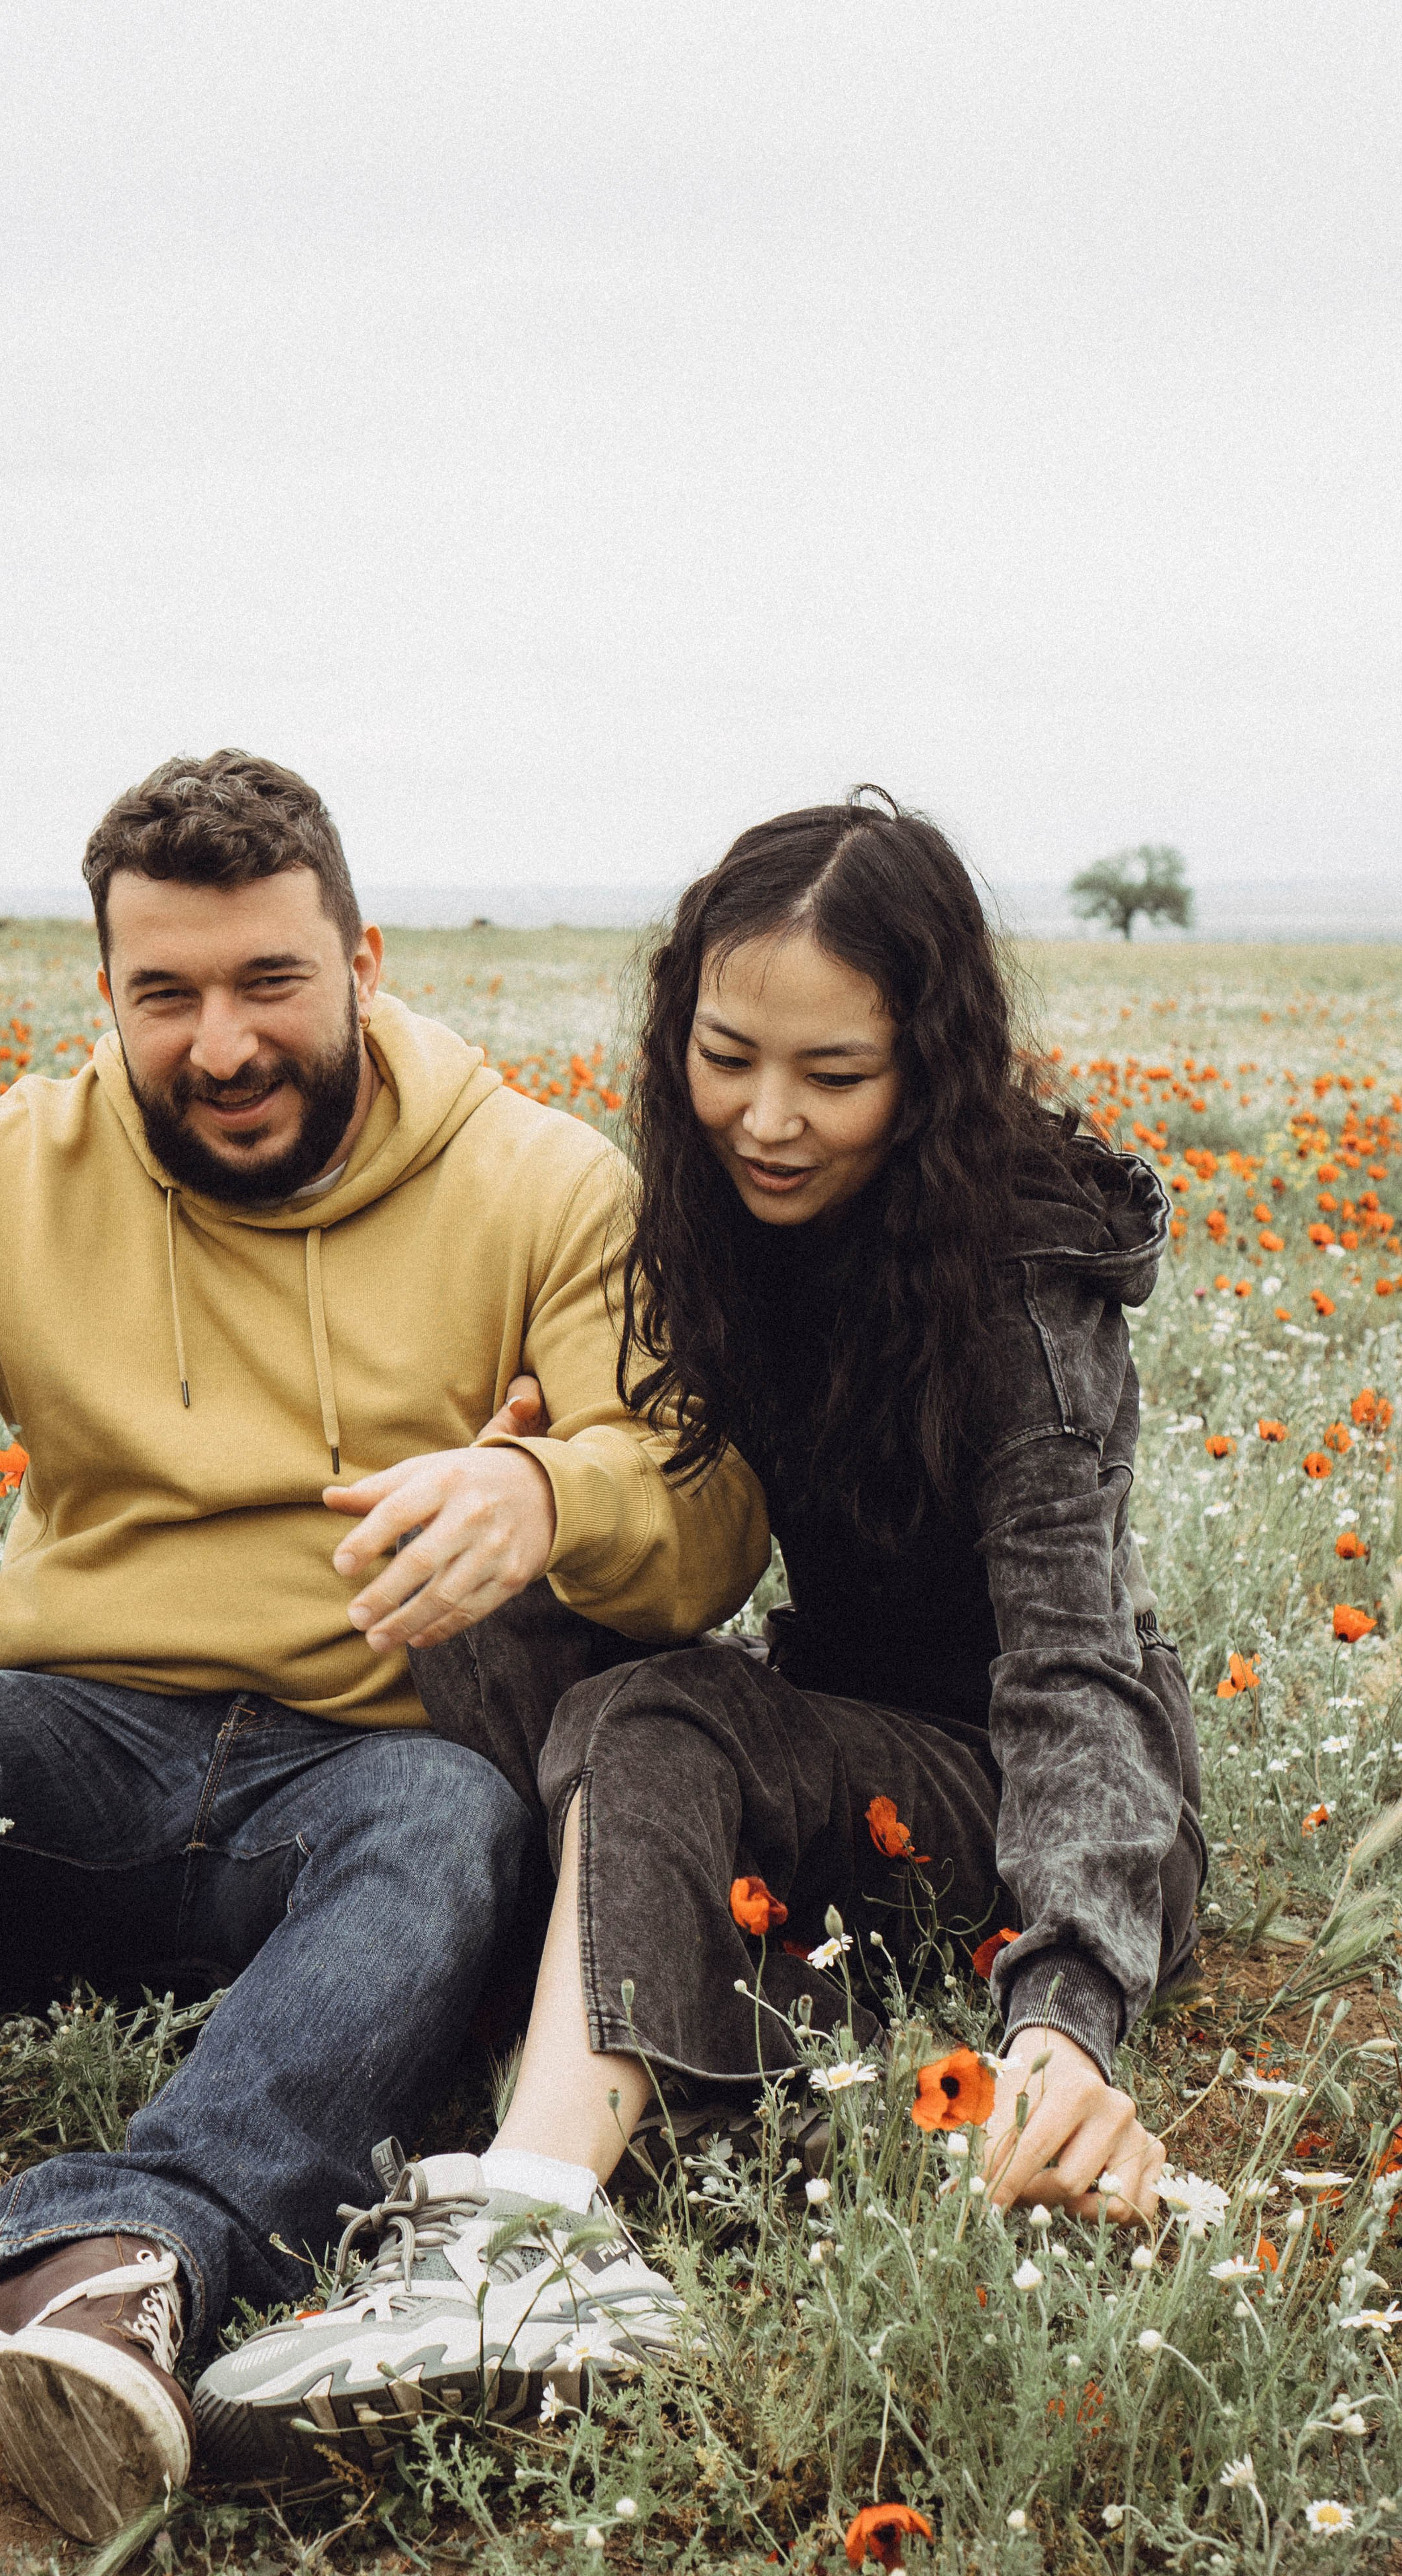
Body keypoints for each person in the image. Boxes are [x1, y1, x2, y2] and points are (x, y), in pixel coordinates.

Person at [197, 791, 1206, 2487]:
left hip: (996, 1775)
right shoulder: (713, 1223)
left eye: (835, 1074)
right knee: (506, 1595)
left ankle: (531, 2242)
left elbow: (1069, 1663)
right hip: (821, 1725)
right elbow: (674, 1524)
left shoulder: (1021, 1275)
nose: (769, 1119)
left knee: (666, 1716)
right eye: (727, 1056)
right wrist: (536, 1471)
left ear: (930, 1064)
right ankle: (550, 2019)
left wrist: (1066, 2006)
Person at [0, 751, 766, 2542]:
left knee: (453, 1829)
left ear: (362, 957)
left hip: (364, 1770)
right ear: (105, 992)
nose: (222, 1042)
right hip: (70, 1745)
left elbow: (705, 1514)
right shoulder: (2, 1168)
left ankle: (113, 2262)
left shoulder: (541, 1185)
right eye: (166, 994)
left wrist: (549, 1492)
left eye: (271, 981)